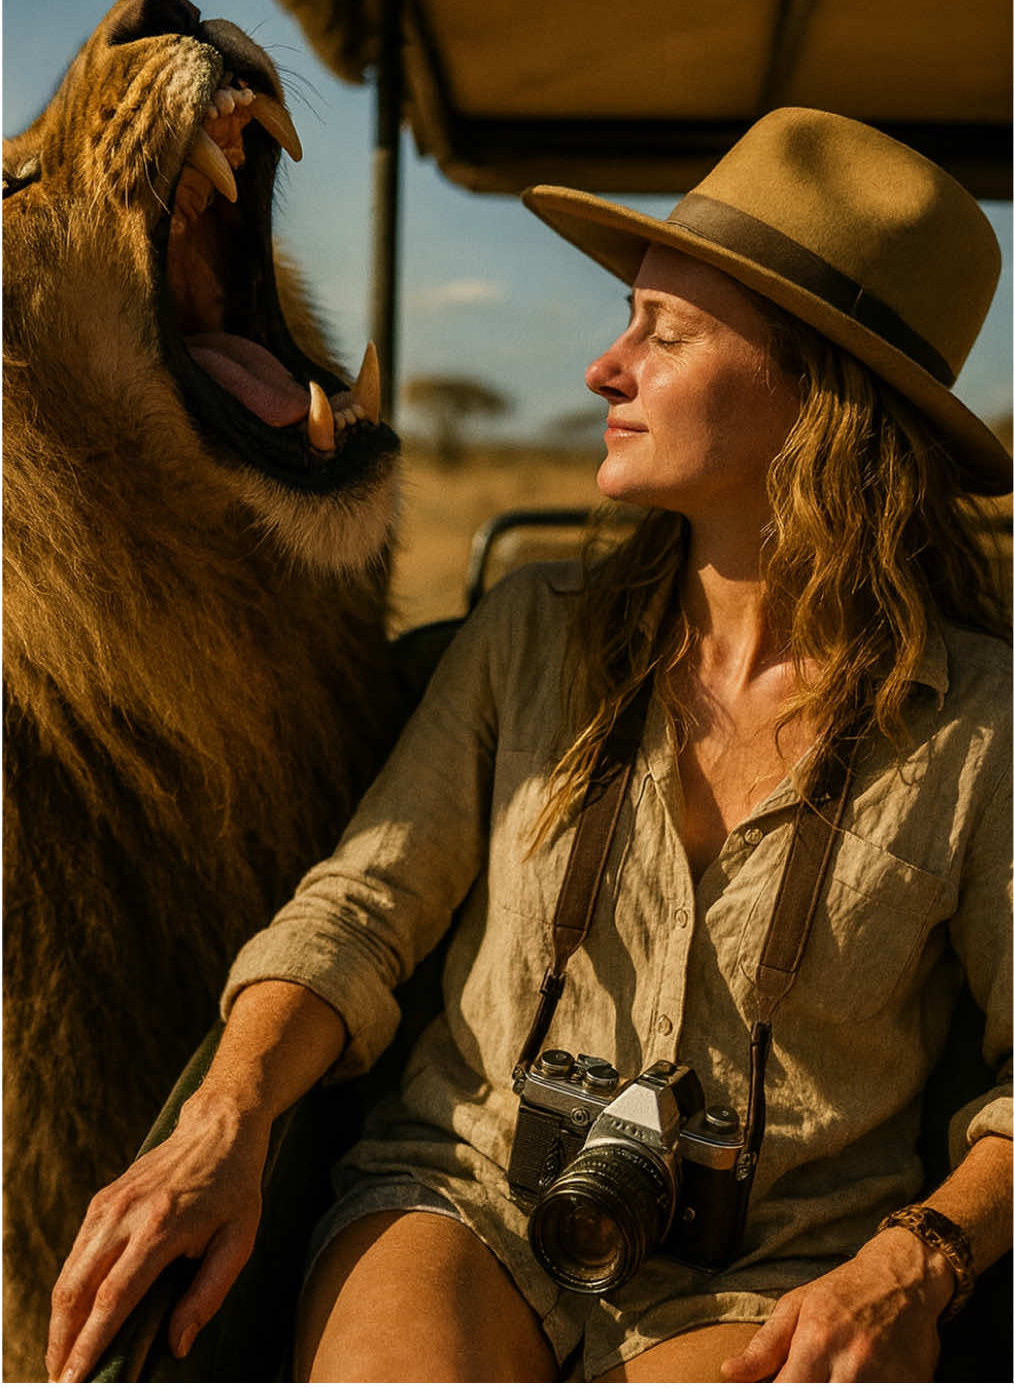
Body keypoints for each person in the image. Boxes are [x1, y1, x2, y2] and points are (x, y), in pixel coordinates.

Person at [48, 107, 1011, 1384]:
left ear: (819, 396)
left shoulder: (981, 724)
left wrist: (918, 1259)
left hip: (779, 1264)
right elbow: (361, 912)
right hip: (472, 1196)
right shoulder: (528, 636)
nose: (606, 370)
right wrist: (223, 1118)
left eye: (664, 335)